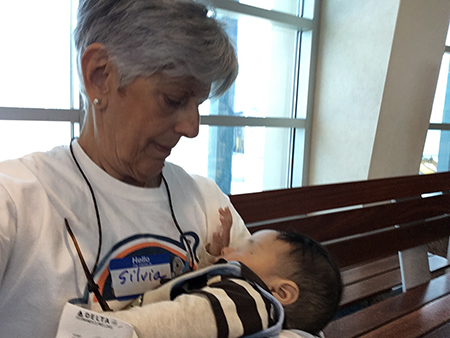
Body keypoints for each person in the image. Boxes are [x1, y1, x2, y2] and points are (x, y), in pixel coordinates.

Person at [0, 1, 250, 337]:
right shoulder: (14, 203)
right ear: (99, 76)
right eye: (174, 99)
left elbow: (270, 302)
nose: (192, 127)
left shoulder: (207, 204)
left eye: (198, 105)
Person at [104, 226, 343, 338]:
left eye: (247, 249)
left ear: (281, 291)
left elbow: (168, 321)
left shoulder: (244, 301)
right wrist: (215, 258)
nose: (229, 248)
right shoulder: (261, 316)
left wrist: (92, 324)